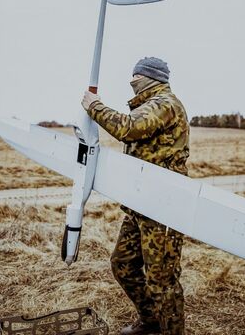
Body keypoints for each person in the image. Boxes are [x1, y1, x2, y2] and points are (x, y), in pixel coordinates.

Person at [81, 56, 190, 335]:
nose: (132, 81)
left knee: (162, 281)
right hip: (141, 205)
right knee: (123, 264)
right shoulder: (150, 104)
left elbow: (128, 129)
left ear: (149, 77)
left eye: (136, 77)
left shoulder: (164, 104)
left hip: (162, 207)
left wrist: (95, 107)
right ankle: (151, 320)